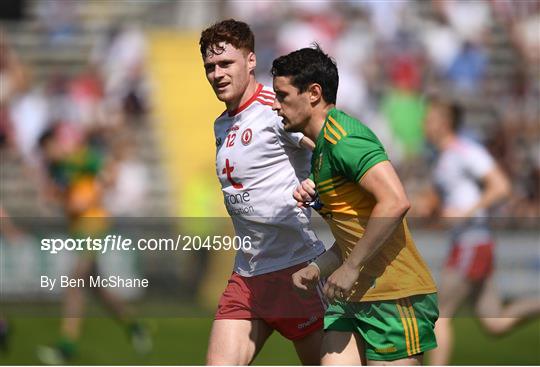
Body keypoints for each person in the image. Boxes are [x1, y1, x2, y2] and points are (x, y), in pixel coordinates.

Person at [271, 45, 439, 365]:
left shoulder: (344, 138)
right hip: (351, 295)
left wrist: (350, 267)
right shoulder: (321, 148)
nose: (276, 106)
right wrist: (318, 268)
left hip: (392, 293)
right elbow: (357, 230)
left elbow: (395, 201)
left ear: (313, 93)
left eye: (282, 95)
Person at [199, 20, 326, 365]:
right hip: (248, 275)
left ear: (251, 60)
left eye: (226, 64)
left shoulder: (276, 108)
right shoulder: (221, 123)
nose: (217, 74)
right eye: (210, 67)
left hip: (295, 271)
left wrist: (319, 186)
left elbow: (331, 149)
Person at [420, 98, 540, 365]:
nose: (424, 125)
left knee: (439, 315)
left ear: (444, 123)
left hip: (472, 243)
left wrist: (466, 212)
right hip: (469, 243)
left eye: (428, 120)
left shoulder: (466, 151)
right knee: (494, 321)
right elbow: (439, 204)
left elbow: (501, 186)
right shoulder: (443, 158)